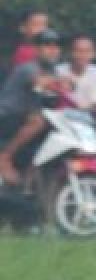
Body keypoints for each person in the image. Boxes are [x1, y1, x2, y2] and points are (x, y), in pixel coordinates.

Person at [0, 29, 68, 185]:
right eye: (47, 46)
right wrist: (62, 83)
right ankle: (4, 157)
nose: (53, 50)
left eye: (56, 46)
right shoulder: (29, 68)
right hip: (7, 116)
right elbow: (39, 82)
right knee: (38, 120)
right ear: (37, 49)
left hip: (22, 119)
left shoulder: (53, 70)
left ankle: (32, 173)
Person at [56, 34, 96, 114]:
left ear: (93, 54)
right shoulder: (59, 71)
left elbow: (95, 102)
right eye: (78, 51)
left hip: (86, 117)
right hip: (61, 116)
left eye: (87, 51)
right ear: (70, 52)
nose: (83, 55)